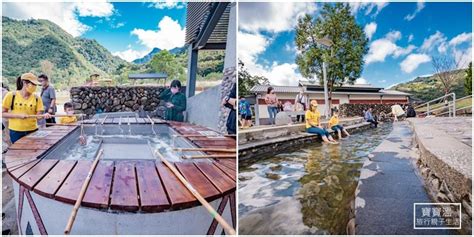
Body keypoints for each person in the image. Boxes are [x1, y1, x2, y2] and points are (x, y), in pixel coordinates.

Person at [2, 73, 52, 144]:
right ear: (24, 82)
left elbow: (38, 117)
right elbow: (2, 113)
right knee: (18, 153)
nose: (35, 86)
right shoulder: (11, 95)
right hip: (16, 132)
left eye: (35, 85)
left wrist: (44, 116)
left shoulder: (37, 98)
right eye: (33, 84)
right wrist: (18, 116)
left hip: (32, 130)